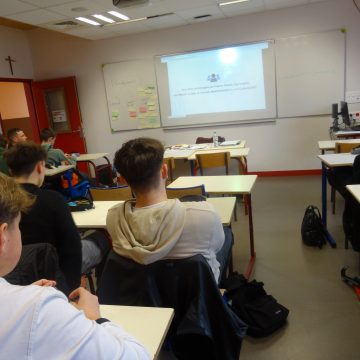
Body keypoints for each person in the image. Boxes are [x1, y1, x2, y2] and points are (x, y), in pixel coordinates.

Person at [0, 173, 150, 359]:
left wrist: (20, 298)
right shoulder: (40, 308)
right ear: (2, 237)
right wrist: (95, 318)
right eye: (19, 226)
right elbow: (137, 356)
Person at [106, 137, 233, 284]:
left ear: (122, 180)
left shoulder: (114, 218)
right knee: (227, 234)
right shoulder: (205, 215)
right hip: (197, 297)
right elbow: (216, 248)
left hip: (145, 297)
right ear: (165, 171)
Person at [4, 142, 109, 291]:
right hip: (56, 275)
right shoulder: (52, 199)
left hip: (14, 277)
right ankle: (102, 295)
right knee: (102, 238)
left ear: (10, 169)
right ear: (40, 166)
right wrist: (70, 287)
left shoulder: (4, 201)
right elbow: (72, 247)